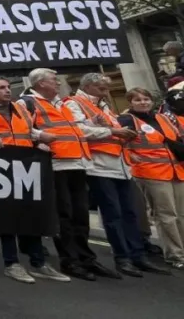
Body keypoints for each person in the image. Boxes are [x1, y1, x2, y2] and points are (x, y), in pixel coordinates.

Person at [0, 76, 70, 284]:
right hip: (0, 170)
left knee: (31, 216)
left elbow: (26, 132)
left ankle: (38, 263)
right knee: (7, 219)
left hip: (26, 167)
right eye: (2, 88)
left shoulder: (21, 108)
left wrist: (40, 140)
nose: (8, 90)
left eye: (9, 87)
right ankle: (12, 264)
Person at [21, 68, 119, 281]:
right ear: (40, 84)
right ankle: (70, 260)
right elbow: (21, 129)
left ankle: (86, 258)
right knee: (64, 216)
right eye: (53, 80)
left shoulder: (61, 103)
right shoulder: (26, 102)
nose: (58, 83)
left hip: (77, 162)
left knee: (81, 215)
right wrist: (40, 137)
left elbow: (75, 129)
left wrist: (94, 125)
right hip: (55, 164)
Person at [65, 73, 167, 276]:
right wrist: (113, 132)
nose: (106, 92)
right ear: (88, 86)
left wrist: (125, 139)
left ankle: (137, 256)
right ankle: (123, 258)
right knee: (113, 214)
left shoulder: (103, 106)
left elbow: (114, 132)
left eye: (107, 88)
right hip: (99, 166)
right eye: (102, 88)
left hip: (121, 166)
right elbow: (78, 130)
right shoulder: (73, 104)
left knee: (130, 213)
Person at [118, 87, 184, 269]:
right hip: (151, 173)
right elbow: (118, 144)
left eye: (146, 99)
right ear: (130, 103)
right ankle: (175, 255)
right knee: (167, 216)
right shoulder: (126, 120)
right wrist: (131, 155)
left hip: (176, 170)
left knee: (181, 215)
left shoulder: (163, 118)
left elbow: (177, 139)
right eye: (137, 100)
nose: (143, 102)